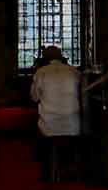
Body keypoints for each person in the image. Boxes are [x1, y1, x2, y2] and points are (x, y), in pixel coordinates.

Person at [29, 44, 83, 182]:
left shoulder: (41, 73)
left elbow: (34, 98)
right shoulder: (74, 72)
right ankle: (72, 167)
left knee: (38, 128)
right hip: (73, 125)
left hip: (49, 126)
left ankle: (47, 168)